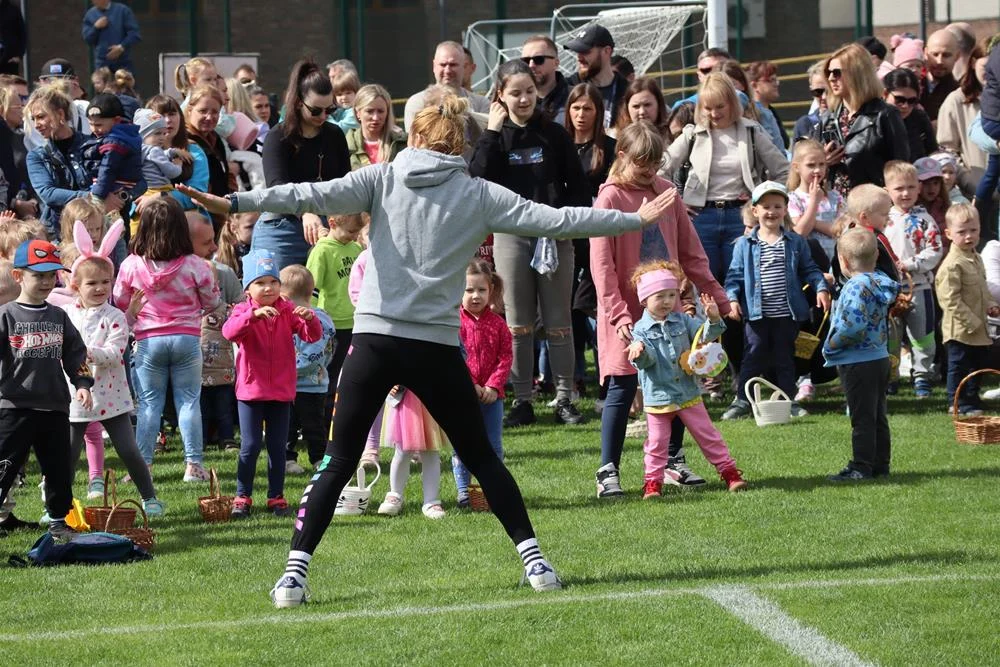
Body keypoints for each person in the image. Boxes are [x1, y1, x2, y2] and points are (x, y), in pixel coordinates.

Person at [177, 92, 677, 607]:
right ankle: (537, 565)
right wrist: (633, 221)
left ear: (414, 136)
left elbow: (309, 193)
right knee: (481, 457)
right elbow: (556, 219)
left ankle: (292, 577)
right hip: (434, 347)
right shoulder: (477, 192)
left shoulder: (383, 176)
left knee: (339, 459)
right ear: (458, 143)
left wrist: (235, 203)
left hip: (373, 344)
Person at [591, 121, 730, 497]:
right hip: (624, 311)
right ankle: (608, 470)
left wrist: (714, 293)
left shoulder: (667, 192)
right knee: (621, 384)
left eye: (655, 163)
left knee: (679, 377)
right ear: (622, 156)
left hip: (671, 305)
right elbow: (601, 266)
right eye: (642, 163)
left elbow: (690, 250)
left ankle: (672, 460)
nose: (649, 171)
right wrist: (619, 315)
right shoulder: (610, 199)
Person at [469, 59, 592, 427]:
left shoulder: (554, 134)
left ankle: (565, 398)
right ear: (500, 96)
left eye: (529, 91)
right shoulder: (497, 135)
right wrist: (491, 131)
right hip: (511, 237)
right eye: (515, 93)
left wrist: (563, 223)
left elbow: (579, 187)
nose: (523, 99)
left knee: (559, 322)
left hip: (554, 237)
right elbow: (476, 179)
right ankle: (521, 398)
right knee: (518, 324)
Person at [62, 219, 164, 517]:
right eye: (91, 283)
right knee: (67, 454)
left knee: (129, 450)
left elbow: (114, 352)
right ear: (75, 285)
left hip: (112, 397)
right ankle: (60, 504)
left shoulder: (116, 316)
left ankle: (150, 498)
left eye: (105, 282)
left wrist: (82, 352)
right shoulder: (67, 315)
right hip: (75, 396)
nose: (99, 288)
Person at [113, 196, 219, 480]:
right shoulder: (195, 265)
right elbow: (211, 300)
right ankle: (194, 466)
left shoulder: (131, 265)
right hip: (185, 338)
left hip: (148, 341)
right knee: (188, 401)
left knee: (148, 404)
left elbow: (120, 300)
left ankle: (142, 465)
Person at [626, 260, 746, 498]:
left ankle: (731, 474)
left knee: (708, 436)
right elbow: (645, 363)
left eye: (672, 295)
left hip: (689, 394)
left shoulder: (682, 320)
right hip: (659, 398)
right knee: (657, 444)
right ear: (644, 299)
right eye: (660, 296)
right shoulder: (640, 330)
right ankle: (653, 484)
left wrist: (712, 319)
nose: (668, 302)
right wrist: (639, 351)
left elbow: (703, 337)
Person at [0, 238, 93, 542]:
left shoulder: (58, 316)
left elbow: (76, 354)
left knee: (57, 468)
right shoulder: (6, 316)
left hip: (53, 407)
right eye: (37, 275)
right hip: (12, 407)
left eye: (51, 275)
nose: (45, 281)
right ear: (18, 276)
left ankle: (57, 521)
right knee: (5, 465)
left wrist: (82, 384)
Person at [662, 72, 790, 283]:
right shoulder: (692, 134)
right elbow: (661, 170)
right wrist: (675, 200)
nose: (714, 113)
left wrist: (763, 200)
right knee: (703, 282)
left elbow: (784, 170)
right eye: (708, 107)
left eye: (720, 106)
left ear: (732, 103)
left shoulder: (752, 132)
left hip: (740, 217)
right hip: (700, 217)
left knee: (741, 282)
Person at [224, 250, 322, 518]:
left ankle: (275, 496)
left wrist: (310, 319)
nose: (268, 288)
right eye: (260, 283)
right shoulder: (243, 310)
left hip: (281, 391)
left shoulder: (287, 310)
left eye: (273, 282)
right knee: (251, 445)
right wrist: (253, 317)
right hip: (250, 391)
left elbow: (312, 336)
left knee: (278, 446)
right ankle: (242, 496)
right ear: (248, 288)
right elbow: (229, 332)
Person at [722, 181, 831, 421]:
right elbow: (734, 276)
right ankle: (742, 400)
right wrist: (731, 299)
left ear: (785, 210)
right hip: (756, 314)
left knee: (785, 357)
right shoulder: (744, 244)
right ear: (755, 211)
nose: (771, 211)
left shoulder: (795, 243)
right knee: (753, 354)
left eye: (777, 206)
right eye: (766, 206)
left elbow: (810, 270)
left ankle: (787, 400)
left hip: (787, 314)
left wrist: (821, 288)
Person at [259, 58, 350, 269]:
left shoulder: (334, 135)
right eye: (316, 110)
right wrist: (305, 212)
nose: (324, 116)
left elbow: (345, 182)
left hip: (328, 225)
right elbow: (277, 186)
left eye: (330, 110)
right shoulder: (278, 137)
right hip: (284, 225)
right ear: (299, 102)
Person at [823, 227, 898, 482]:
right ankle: (880, 463)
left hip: (857, 360)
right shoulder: (879, 282)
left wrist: (831, 344)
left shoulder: (855, 287)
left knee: (862, 417)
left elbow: (853, 326)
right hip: (878, 357)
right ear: (876, 256)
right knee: (877, 414)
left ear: (843, 261)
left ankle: (861, 466)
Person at [813, 43, 909, 198]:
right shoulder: (828, 119)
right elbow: (805, 168)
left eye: (837, 73)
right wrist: (823, 162)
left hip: (873, 204)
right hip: (833, 205)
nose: (831, 78)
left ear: (857, 74)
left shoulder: (885, 114)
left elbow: (900, 168)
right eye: (828, 73)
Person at [453, 259, 511, 508]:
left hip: (492, 398)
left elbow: (505, 357)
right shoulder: (454, 322)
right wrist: (472, 385)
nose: (475, 296)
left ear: (491, 291)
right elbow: (454, 356)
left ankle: (491, 491)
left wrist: (493, 386)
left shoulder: (498, 324)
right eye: (469, 290)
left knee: (493, 445)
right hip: (463, 396)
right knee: (462, 445)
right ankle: (464, 492)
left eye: (481, 290)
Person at [883, 160, 943, 398]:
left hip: (919, 287)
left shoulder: (924, 220)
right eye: (898, 188)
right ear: (887, 190)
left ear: (918, 188)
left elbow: (935, 250)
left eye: (910, 187)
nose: (905, 193)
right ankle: (890, 376)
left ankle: (922, 376)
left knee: (923, 335)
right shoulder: (883, 220)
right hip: (889, 290)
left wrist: (911, 263)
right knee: (890, 336)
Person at [305, 213, 364, 448]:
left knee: (347, 381)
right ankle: (323, 433)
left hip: (355, 323)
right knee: (328, 382)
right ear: (332, 224)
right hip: (331, 327)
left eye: (356, 233)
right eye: (350, 231)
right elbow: (312, 288)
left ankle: (343, 429)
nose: (353, 236)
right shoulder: (322, 251)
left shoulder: (356, 248)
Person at [936, 204, 998, 417]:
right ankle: (956, 402)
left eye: (973, 230)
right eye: (962, 232)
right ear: (949, 234)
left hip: (979, 327)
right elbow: (949, 300)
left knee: (976, 366)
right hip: (960, 330)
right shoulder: (953, 264)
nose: (969, 236)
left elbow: (983, 288)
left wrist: (991, 304)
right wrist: (971, 321)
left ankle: (971, 400)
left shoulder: (976, 258)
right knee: (959, 367)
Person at [281, 264, 335, 472]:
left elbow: (314, 355)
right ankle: (287, 458)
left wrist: (284, 369)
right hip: (287, 387)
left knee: (314, 426)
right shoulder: (286, 317)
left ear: (285, 297)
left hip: (312, 385)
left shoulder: (318, 320)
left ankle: (319, 458)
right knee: (288, 425)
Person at [25, 85, 95, 241]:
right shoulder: (36, 156)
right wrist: (93, 196)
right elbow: (48, 194)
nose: (36, 124)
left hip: (97, 230)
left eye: (41, 116)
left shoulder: (92, 145)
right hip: (59, 234)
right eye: (33, 119)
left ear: (60, 114)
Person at [403, 41, 490, 131]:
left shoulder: (480, 104)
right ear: (434, 66)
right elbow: (415, 141)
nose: (447, 70)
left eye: (453, 65)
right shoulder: (418, 102)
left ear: (463, 67)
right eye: (443, 65)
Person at [81, 93, 147, 208]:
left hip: (113, 189)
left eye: (99, 124)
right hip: (119, 189)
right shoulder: (123, 135)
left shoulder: (114, 142)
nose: (94, 129)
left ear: (116, 120)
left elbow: (107, 169)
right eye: (90, 124)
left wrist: (97, 196)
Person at [936, 44, 986, 198]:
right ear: (973, 63)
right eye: (986, 66)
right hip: (976, 195)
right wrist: (972, 182)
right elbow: (947, 150)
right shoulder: (956, 101)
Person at [184, 85, 232, 228]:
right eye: (203, 111)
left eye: (215, 112)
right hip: (197, 220)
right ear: (190, 110)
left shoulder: (216, 139)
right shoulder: (184, 142)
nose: (209, 117)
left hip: (221, 214)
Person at [787, 138, 844, 260]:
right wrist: (814, 202)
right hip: (809, 263)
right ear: (797, 167)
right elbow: (800, 232)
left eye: (822, 164)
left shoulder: (835, 197)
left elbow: (842, 231)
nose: (817, 170)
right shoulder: (793, 199)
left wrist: (813, 223)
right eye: (811, 165)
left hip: (836, 260)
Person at [564, 24, 628, 128]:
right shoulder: (567, 88)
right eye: (577, 52)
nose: (579, 58)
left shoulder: (627, 91)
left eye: (585, 51)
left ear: (607, 51)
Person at [345, 84, 406, 170]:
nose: (375, 118)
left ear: (387, 113)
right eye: (370, 111)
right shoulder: (346, 144)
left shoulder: (402, 143)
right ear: (358, 112)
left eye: (380, 111)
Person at [0, 77, 37, 219]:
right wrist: (15, 203)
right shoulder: (3, 134)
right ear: (3, 109)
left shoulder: (20, 135)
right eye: (18, 106)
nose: (23, 110)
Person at [883, 68, 937, 161]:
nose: (905, 106)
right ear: (885, 94)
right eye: (899, 100)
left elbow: (932, 151)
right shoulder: (873, 119)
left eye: (912, 101)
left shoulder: (920, 118)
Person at [132, 108, 185, 202]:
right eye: (157, 133)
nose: (162, 138)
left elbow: (156, 156)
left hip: (146, 191)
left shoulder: (139, 150)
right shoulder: (155, 150)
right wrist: (178, 165)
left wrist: (170, 152)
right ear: (143, 134)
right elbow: (171, 172)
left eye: (164, 133)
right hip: (160, 190)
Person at [521, 35, 570, 124]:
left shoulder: (576, 99)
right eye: (526, 60)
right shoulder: (515, 101)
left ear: (556, 63)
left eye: (539, 59)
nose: (531, 65)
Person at [82, 0, 140, 73]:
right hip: (102, 65)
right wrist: (96, 27)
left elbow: (135, 34)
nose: (93, 1)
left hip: (123, 63)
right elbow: (87, 39)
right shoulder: (90, 14)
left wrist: (121, 47)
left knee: (124, 83)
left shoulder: (122, 10)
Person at [921, 29, 961, 122]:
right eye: (935, 54)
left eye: (946, 55)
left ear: (957, 56)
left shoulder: (959, 93)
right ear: (926, 53)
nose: (939, 61)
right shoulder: (912, 85)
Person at [747, 60, 789, 149]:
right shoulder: (751, 114)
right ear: (754, 85)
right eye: (771, 80)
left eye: (776, 80)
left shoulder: (772, 112)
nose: (776, 84)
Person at [915, 156, 950, 235]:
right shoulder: (911, 209)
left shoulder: (944, 206)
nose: (931, 188)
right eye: (926, 183)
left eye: (936, 183)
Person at [0, 0, 26, 76]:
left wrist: (18, 55)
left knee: (10, 85)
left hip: (9, 58)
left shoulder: (12, 10)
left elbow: (22, 34)